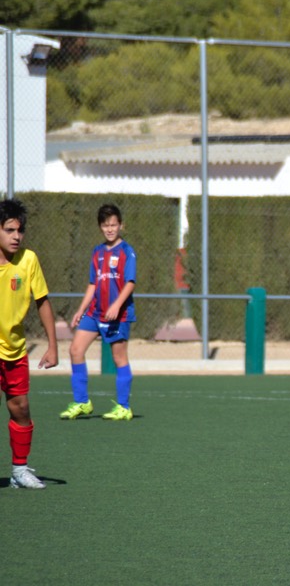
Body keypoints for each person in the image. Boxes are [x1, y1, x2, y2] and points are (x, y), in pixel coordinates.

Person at [0, 198, 58, 488]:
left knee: (21, 407)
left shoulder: (29, 260)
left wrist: (53, 345)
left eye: (20, 231)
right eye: (10, 230)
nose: (16, 236)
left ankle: (19, 470)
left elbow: (42, 302)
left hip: (14, 349)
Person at [60, 204, 137, 421]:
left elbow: (130, 283)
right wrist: (80, 310)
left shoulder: (126, 251)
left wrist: (116, 305)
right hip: (94, 313)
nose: (110, 229)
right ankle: (82, 402)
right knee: (75, 350)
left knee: (118, 357)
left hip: (117, 315)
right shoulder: (97, 252)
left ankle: (124, 407)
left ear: (121, 225)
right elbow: (93, 284)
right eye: (106, 225)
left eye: (113, 225)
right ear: (100, 227)